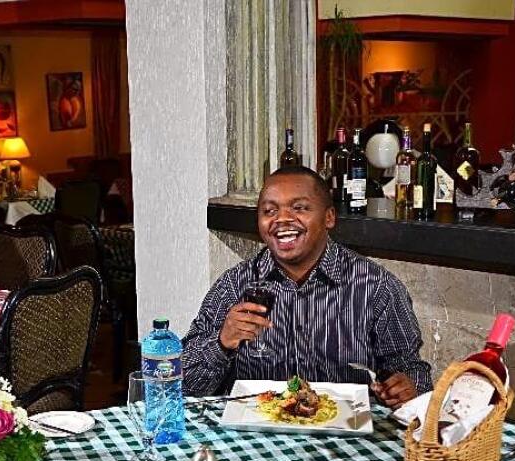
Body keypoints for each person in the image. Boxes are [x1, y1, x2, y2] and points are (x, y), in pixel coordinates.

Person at [183, 166, 431, 409]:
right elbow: (183, 384)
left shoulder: (376, 286)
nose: (282, 219)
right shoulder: (234, 285)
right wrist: (222, 343)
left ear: (329, 217)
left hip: (346, 429)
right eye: (269, 211)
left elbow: (412, 370)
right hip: (258, 427)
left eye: (299, 208)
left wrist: (407, 388)